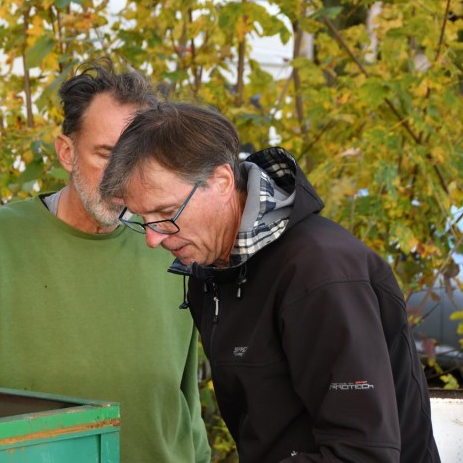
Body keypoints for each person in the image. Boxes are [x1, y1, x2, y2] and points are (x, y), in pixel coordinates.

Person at [99, 101, 441, 463]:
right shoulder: (212, 271)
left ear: (222, 182)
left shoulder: (319, 273)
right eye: (143, 219)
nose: (153, 238)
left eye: (166, 213)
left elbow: (362, 454)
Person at [0, 60, 211, 463]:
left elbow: (184, 394)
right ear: (66, 151)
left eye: (136, 158)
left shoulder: (173, 244)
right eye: (106, 154)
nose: (121, 177)